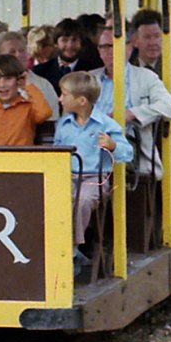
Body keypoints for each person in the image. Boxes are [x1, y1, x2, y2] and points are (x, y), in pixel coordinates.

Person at [54, 71, 133, 277]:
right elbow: (55, 152)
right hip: (67, 177)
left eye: (63, 94)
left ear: (81, 100)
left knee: (82, 200)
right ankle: (53, 249)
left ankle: (70, 250)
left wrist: (112, 145)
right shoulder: (63, 125)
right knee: (52, 198)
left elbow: (128, 153)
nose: (59, 99)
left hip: (94, 179)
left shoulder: (106, 124)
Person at [95, 32, 171, 179]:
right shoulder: (89, 78)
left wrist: (132, 113)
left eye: (117, 45)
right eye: (106, 46)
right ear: (99, 51)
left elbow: (168, 108)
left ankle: (93, 198)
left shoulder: (146, 77)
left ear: (129, 48)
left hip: (126, 142)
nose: (112, 51)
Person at [0, 31, 60, 119]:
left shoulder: (43, 85)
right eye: (12, 52)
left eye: (22, 50)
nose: (19, 55)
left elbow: (50, 118)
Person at [0, 55, 52, 146]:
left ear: (19, 80)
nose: (2, 85)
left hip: (20, 159)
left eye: (8, 79)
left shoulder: (28, 108)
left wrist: (28, 86)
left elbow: (44, 113)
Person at [32, 17, 104, 93]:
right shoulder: (39, 72)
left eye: (74, 40)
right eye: (64, 40)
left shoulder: (92, 72)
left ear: (81, 43)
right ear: (56, 43)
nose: (69, 45)